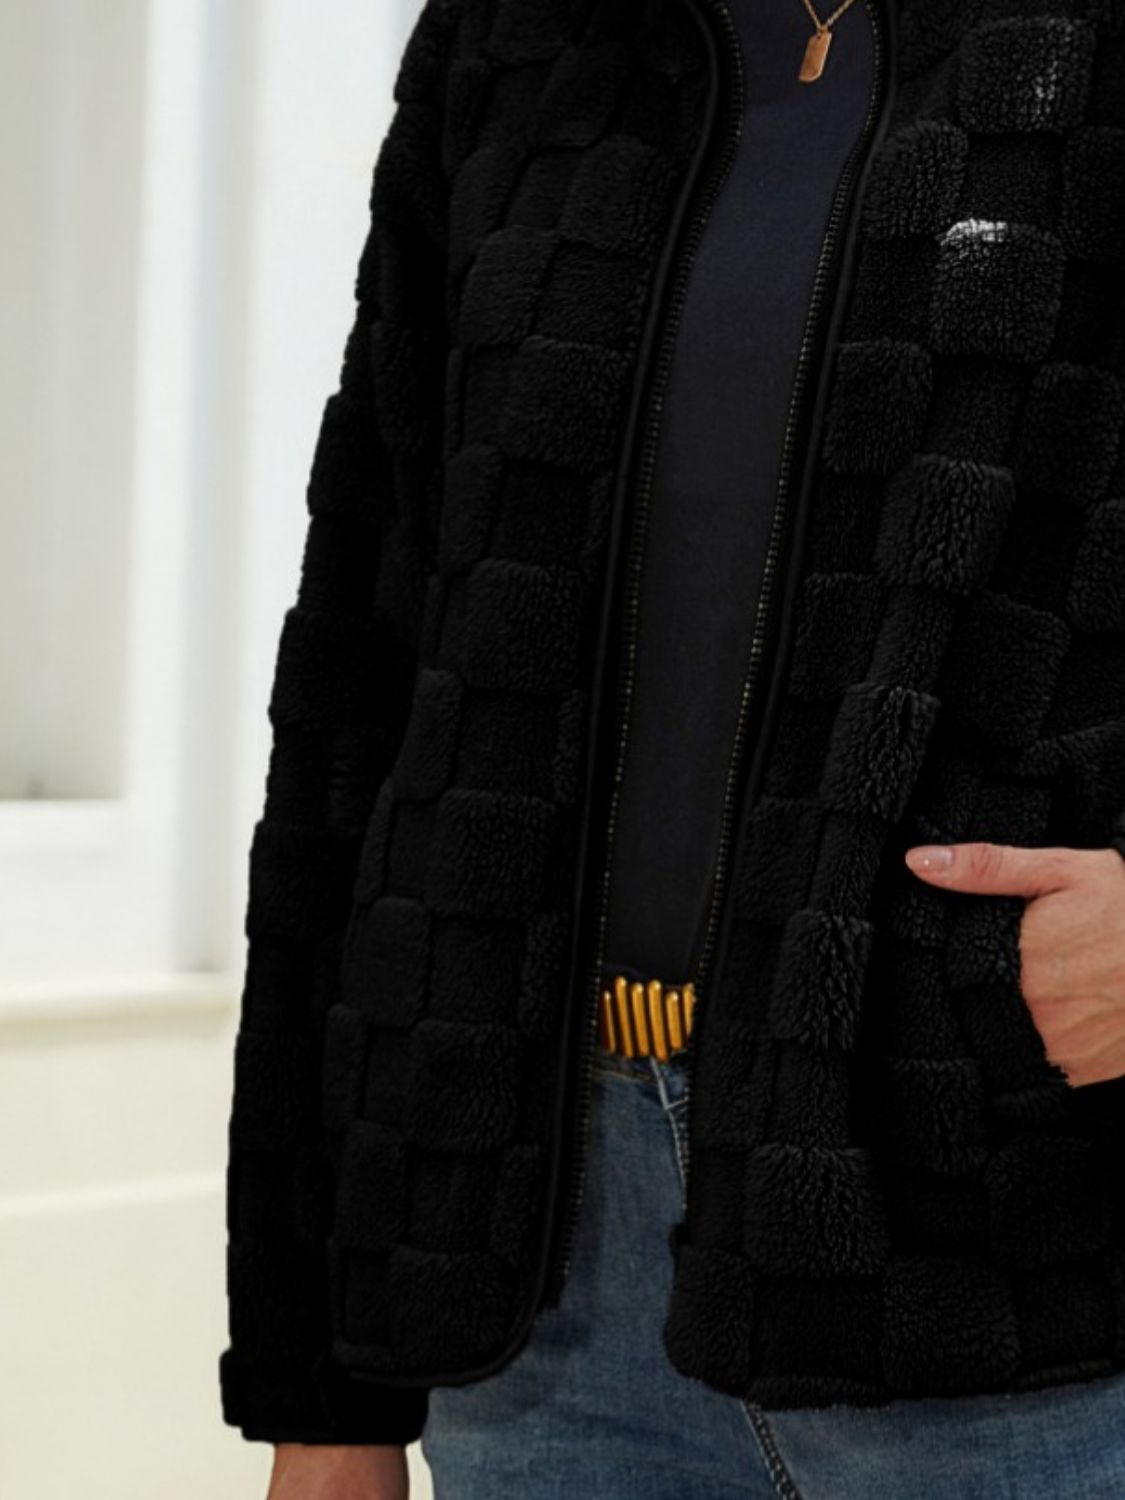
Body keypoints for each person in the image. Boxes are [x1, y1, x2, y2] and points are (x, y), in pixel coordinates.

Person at [218, 0, 1125, 1494]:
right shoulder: (521, 40)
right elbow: (362, 687)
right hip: (534, 1297)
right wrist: (323, 1384)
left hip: (1019, 1268)